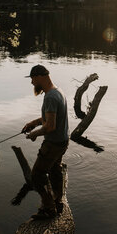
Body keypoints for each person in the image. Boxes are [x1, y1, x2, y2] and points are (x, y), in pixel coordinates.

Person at [22, 64, 69, 220]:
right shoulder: (58, 91)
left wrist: (34, 134)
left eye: (33, 79)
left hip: (53, 144)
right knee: (55, 170)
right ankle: (58, 200)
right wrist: (33, 123)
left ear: (40, 77)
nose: (32, 83)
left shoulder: (50, 96)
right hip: (62, 141)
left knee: (37, 175)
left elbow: (50, 126)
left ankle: (49, 208)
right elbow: (50, 119)